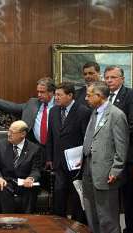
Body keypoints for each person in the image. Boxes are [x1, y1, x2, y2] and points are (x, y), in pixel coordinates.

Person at [82, 81, 129, 233]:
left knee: (107, 217)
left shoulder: (116, 115)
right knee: (92, 214)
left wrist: (116, 170)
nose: (86, 98)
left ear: (99, 96)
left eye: (89, 95)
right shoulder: (94, 112)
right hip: (88, 169)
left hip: (106, 172)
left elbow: (121, 147)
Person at [45, 82, 91, 223]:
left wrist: (83, 159)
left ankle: (78, 225)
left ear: (70, 95)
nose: (56, 98)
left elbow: (86, 138)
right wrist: (49, 158)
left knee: (77, 196)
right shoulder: (53, 111)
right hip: (59, 162)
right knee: (59, 194)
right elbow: (50, 136)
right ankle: (59, 224)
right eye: (55, 95)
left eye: (59, 95)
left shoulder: (83, 111)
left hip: (76, 163)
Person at [103, 65, 133, 233]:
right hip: (108, 157)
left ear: (122, 79)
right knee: (110, 198)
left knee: (129, 198)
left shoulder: (131, 96)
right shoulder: (103, 97)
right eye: (107, 77)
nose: (109, 80)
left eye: (113, 77)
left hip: (128, 156)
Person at [0, 77, 55, 146]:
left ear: (51, 92)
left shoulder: (59, 105)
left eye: (42, 92)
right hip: (36, 146)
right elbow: (15, 107)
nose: (39, 95)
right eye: (38, 92)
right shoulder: (33, 103)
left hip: (55, 146)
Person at [0, 120, 42, 213]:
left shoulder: (34, 149)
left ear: (23, 134)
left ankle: (28, 220)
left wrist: (31, 178)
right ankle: (7, 220)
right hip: (6, 181)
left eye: (12, 132)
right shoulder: (1, 144)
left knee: (31, 189)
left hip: (24, 182)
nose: (8, 134)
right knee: (1, 188)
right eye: (8, 131)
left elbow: (36, 169)